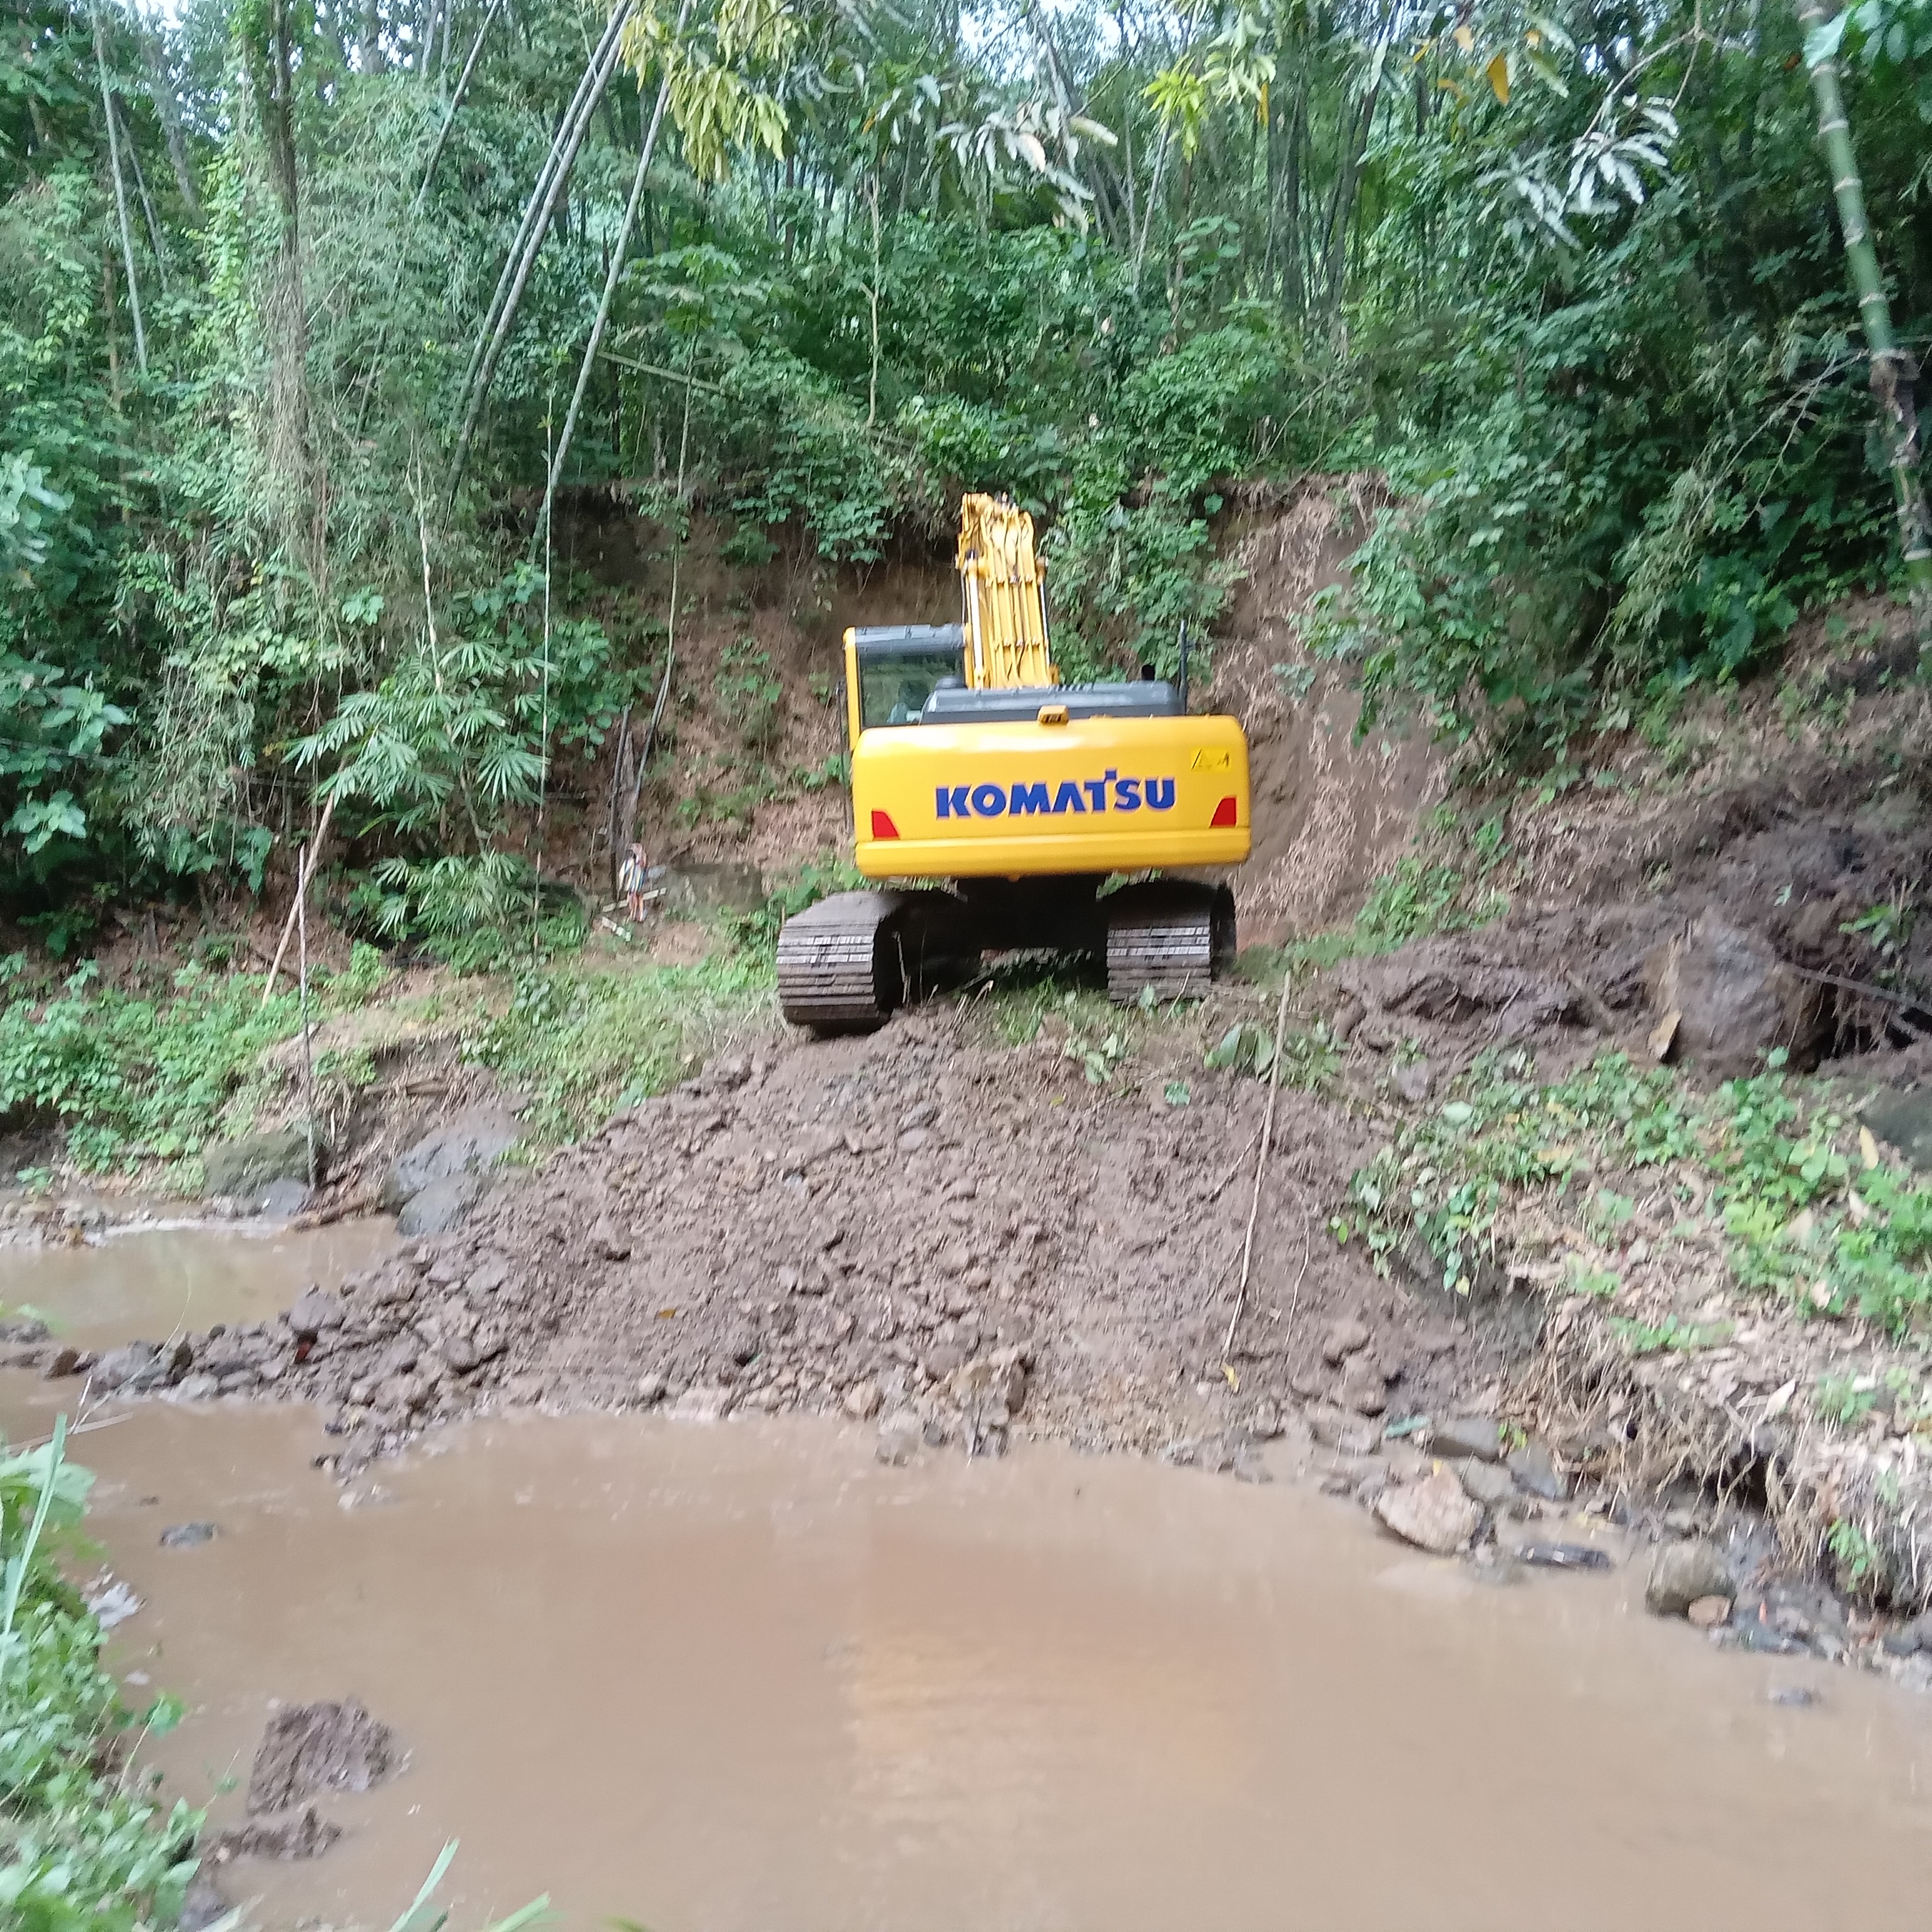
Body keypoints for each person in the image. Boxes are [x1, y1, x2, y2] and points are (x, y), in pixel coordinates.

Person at [619, 841, 649, 923]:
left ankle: (636, 914)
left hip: (638, 878)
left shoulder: (639, 858)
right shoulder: (641, 856)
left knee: (635, 895)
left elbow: (642, 866)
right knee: (637, 896)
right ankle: (638, 915)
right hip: (638, 878)